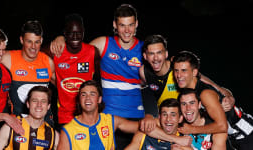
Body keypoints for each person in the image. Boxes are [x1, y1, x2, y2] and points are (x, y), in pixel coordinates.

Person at [50, 4, 144, 149]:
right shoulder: (103, 43)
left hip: (136, 115)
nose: (127, 30)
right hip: (109, 117)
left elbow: (158, 74)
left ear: (136, 24)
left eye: (131, 25)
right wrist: (61, 38)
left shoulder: (144, 49)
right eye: (122, 25)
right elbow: (77, 48)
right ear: (115, 25)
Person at [58, 80, 192, 150]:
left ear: (99, 99)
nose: (87, 98)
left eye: (92, 94)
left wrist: (149, 117)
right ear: (79, 100)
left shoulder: (111, 121)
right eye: (83, 94)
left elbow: (145, 127)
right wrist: (176, 139)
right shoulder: (68, 131)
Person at [139, 34, 234, 132]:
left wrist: (230, 97)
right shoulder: (143, 72)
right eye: (151, 54)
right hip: (169, 119)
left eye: (159, 52)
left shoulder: (178, 67)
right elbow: (143, 93)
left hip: (190, 118)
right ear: (145, 56)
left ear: (166, 54)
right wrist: (149, 114)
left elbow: (214, 86)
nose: (155, 58)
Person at [0, 20, 56, 127]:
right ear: (21, 40)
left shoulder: (48, 62)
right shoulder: (9, 58)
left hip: (44, 124)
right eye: (29, 41)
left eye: (37, 42)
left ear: (41, 40)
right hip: (18, 125)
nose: (33, 47)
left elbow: (64, 87)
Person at [173, 51, 253, 150]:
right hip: (233, 138)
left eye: (183, 70)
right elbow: (220, 89)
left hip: (246, 134)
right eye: (176, 70)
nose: (179, 75)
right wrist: (229, 95)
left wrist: (192, 129)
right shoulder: (193, 84)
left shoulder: (205, 94)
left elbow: (222, 126)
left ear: (194, 72)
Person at [53, 13, 101, 125]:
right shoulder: (56, 52)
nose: (75, 37)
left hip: (87, 115)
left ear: (83, 32)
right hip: (64, 116)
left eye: (78, 33)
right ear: (65, 33)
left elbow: (99, 81)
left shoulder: (92, 52)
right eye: (71, 33)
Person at [0, 86, 59, 150]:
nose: (39, 105)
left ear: (48, 106)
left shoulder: (54, 136)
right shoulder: (10, 128)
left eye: (43, 101)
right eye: (34, 101)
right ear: (28, 104)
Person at [125, 98, 192, 150]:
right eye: (164, 114)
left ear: (180, 119)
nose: (168, 119)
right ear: (159, 117)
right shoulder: (143, 135)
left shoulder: (183, 143)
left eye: (173, 115)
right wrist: (148, 116)